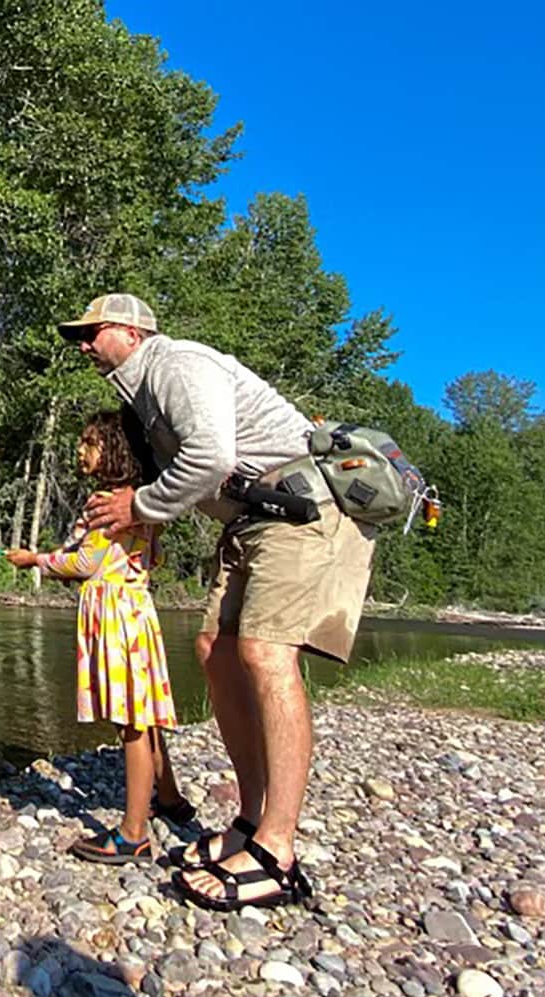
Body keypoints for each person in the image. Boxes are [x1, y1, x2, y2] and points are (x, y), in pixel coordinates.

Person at [57, 293, 376, 911]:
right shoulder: (141, 394)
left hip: (304, 512)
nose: (83, 343)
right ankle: (250, 822)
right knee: (215, 650)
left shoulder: (174, 364)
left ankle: (275, 851)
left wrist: (137, 507)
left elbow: (211, 456)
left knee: (265, 654)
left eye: (91, 332)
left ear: (128, 330)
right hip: (253, 522)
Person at [7, 408, 194, 864]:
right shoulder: (144, 502)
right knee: (142, 713)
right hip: (137, 612)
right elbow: (124, 557)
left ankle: (134, 832)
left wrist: (36, 561)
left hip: (114, 619)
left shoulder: (106, 502)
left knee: (130, 721)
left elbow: (84, 564)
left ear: (112, 452)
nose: (80, 450)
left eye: (89, 443)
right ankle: (168, 798)